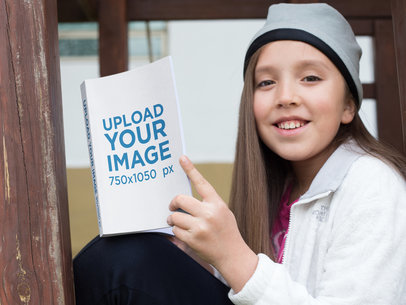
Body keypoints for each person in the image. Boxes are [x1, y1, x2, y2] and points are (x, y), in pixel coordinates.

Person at [73, 3, 406, 304]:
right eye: (266, 83)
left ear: (349, 105)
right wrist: (203, 258)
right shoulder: (275, 186)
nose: (286, 96)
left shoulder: (373, 184)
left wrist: (233, 256)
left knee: (125, 262)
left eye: (311, 77)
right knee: (124, 253)